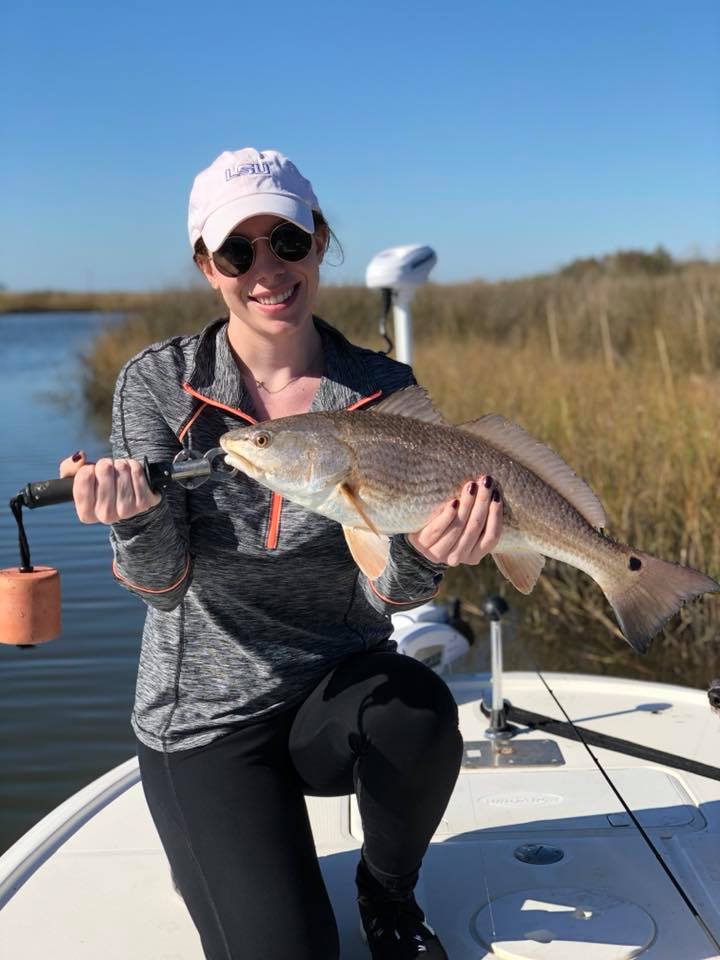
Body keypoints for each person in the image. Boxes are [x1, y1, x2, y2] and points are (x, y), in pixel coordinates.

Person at [61, 148, 503, 960]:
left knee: (420, 710)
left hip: (334, 694)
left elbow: (388, 599)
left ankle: (388, 889)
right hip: (203, 719)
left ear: (319, 241)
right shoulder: (158, 385)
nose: (266, 269)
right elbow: (161, 589)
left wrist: (428, 554)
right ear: (207, 266)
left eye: (287, 241)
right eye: (238, 250)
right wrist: (133, 518)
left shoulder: (379, 385)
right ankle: (229, 851)